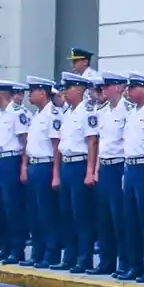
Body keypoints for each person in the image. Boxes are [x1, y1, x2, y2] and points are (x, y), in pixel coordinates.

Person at [53, 71, 99, 273]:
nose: (64, 92)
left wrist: (90, 171)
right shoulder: (67, 113)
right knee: (66, 212)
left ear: (79, 89)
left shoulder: (87, 112)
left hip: (80, 164)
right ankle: (69, 256)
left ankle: (84, 258)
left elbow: (92, 142)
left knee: (82, 215)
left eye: (68, 88)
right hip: (67, 164)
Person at [118, 73, 144, 282]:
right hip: (130, 167)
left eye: (133, 87)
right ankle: (134, 265)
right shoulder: (131, 111)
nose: (129, 91)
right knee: (130, 220)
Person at [0, 80, 30, 265]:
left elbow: (25, 141)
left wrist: (23, 166)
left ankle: (16, 249)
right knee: (0, 207)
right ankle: (4, 247)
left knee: (13, 208)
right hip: (0, 161)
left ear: (1, 93)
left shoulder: (17, 113)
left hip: (13, 160)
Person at [92, 72, 130, 276]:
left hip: (118, 166)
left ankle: (124, 262)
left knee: (119, 218)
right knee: (104, 218)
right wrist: (97, 168)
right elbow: (101, 143)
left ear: (118, 87)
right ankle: (106, 262)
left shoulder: (127, 110)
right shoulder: (103, 111)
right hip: (105, 167)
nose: (103, 91)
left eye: (106, 87)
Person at [22, 77, 60, 269]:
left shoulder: (52, 114)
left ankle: (50, 253)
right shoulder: (37, 115)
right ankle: (37, 252)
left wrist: (55, 174)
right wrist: (25, 166)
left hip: (46, 165)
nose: (30, 95)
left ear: (42, 93)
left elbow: (56, 147)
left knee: (47, 213)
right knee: (34, 213)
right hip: (35, 165)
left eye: (33, 91)